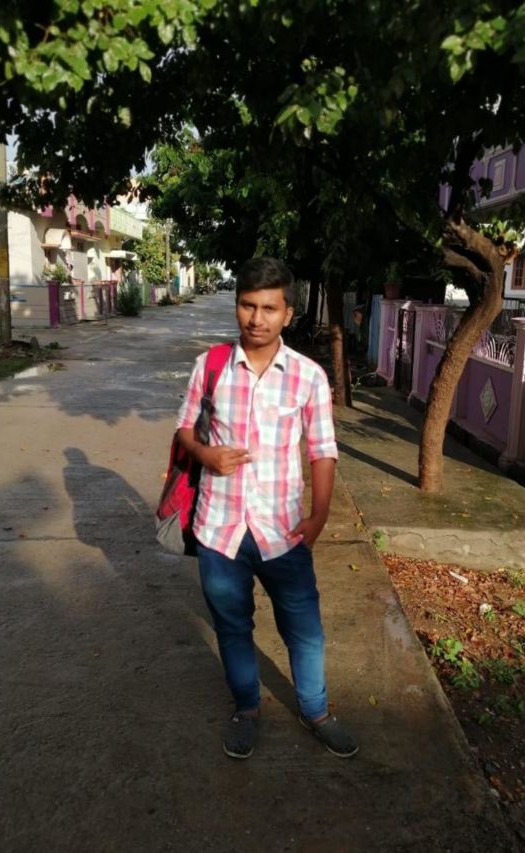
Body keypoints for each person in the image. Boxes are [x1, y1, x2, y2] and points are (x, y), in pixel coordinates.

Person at [176, 257, 358, 760]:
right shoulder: (211, 366)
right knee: (233, 626)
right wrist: (206, 455)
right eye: (248, 305)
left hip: (283, 531)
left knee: (304, 629)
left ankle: (315, 710)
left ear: (288, 313)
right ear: (237, 305)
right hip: (219, 529)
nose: (256, 318)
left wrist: (318, 516)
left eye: (269, 308)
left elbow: (322, 450)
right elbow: (185, 429)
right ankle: (247, 708)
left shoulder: (308, 376)